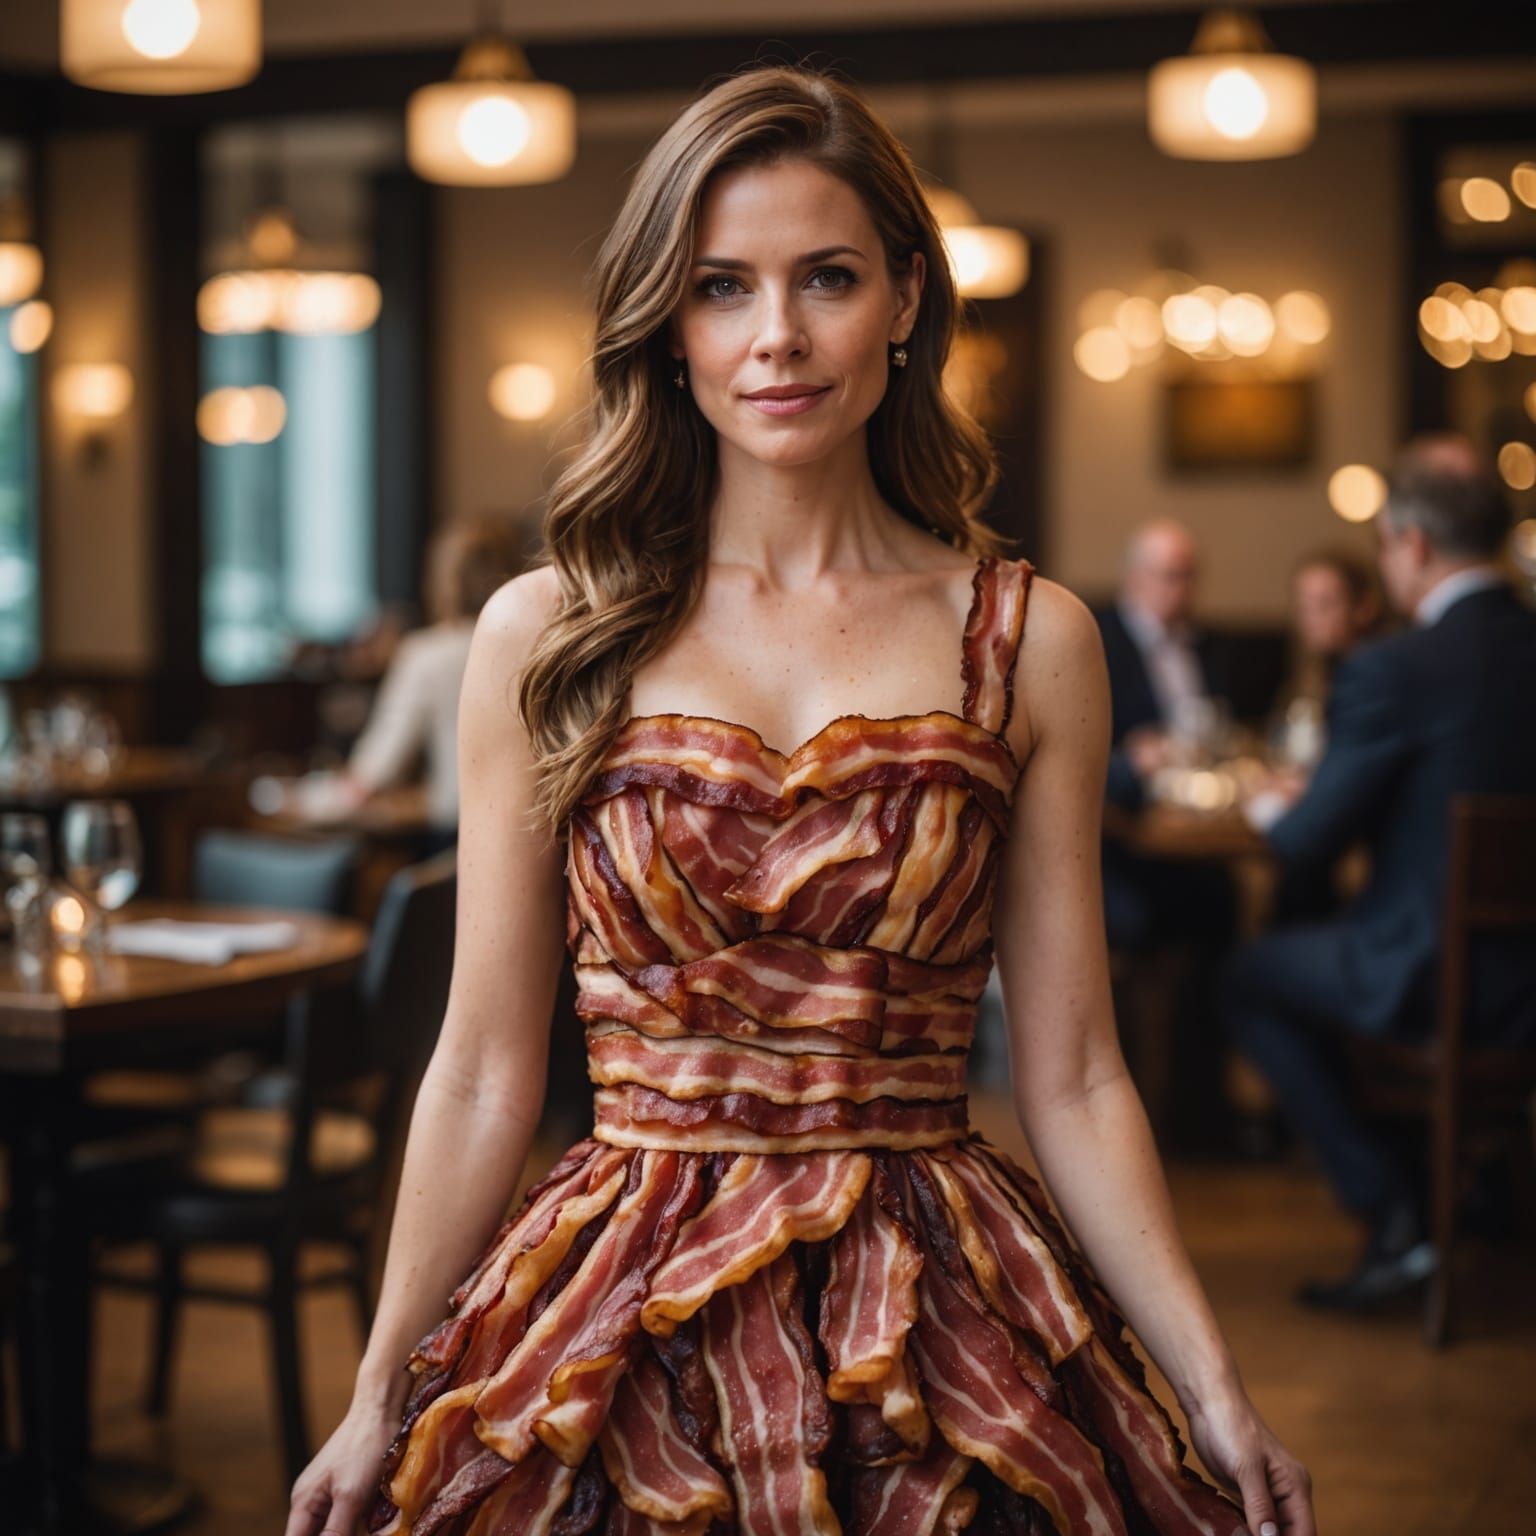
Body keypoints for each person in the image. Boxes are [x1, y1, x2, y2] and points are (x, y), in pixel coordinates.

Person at [286, 65, 1311, 1536]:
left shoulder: (1035, 641)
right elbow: (482, 1068)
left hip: (939, 1310)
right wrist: (379, 1391)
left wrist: (1214, 1384)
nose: (777, 337)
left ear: (905, 298)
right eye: (721, 287)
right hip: (615, 1313)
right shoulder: (543, 632)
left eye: (825, 278)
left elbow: (1077, 1075)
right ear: (669, 321)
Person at [1227, 441, 1536, 1311]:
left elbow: (1307, 844)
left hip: (1439, 979)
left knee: (1252, 974)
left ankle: (1400, 1213)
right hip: (1521, 980)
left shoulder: (1395, 669)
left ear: (1410, 544)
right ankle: (1471, 1193)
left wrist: (1273, 809)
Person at [298, 518, 519, 853]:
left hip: (458, 835)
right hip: (535, 833)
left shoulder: (427, 655)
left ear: (443, 580)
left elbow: (377, 769)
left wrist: (308, 800)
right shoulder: (539, 645)